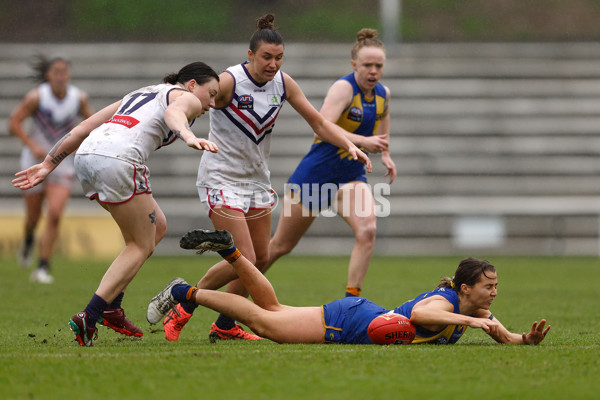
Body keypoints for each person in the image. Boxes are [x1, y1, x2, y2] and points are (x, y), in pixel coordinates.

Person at [161, 13, 371, 343]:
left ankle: (225, 325)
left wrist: (348, 142)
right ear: (250, 56)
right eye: (267, 58)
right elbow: (192, 101)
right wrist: (183, 128)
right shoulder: (229, 82)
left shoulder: (284, 84)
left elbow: (318, 123)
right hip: (221, 178)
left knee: (259, 259)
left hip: (257, 182)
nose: (273, 64)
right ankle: (184, 297)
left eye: (279, 58)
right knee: (242, 257)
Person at [13, 61, 221, 346]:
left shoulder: (140, 93)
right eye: (211, 93)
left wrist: (49, 162)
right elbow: (175, 113)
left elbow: (85, 126)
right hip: (119, 161)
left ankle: (112, 306)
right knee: (140, 244)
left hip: (87, 157)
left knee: (156, 227)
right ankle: (91, 314)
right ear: (193, 84)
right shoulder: (187, 98)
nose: (212, 102)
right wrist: (188, 135)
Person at [148, 229, 551, 345]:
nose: (494, 293)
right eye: (489, 286)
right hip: (353, 324)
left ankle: (233, 253)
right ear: (465, 287)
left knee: (273, 309)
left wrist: (522, 339)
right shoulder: (446, 301)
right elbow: (420, 315)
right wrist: (475, 322)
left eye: (496, 286)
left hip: (357, 315)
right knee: (268, 324)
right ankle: (186, 294)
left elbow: (502, 334)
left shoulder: (473, 309)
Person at [268, 28, 396, 299]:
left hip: (350, 176)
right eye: (367, 65)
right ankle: (225, 312)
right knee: (279, 247)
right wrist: (364, 140)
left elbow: (382, 130)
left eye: (379, 66)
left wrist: (385, 154)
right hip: (315, 176)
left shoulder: (383, 94)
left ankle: (353, 302)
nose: (373, 71)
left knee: (368, 230)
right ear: (354, 65)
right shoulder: (343, 88)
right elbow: (321, 128)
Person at [8, 55, 94, 283]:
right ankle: (28, 238)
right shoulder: (37, 96)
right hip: (34, 161)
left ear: (69, 75)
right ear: (49, 75)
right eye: (56, 72)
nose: (60, 76)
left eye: (64, 72)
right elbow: (14, 122)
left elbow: (93, 124)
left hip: (61, 161)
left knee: (55, 213)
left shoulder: (78, 98)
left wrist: (82, 146)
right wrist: (33, 145)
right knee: (34, 216)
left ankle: (43, 266)